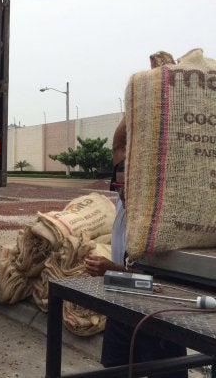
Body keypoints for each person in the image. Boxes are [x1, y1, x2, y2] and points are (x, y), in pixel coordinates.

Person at [85, 116, 188, 378]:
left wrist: (112, 270)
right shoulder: (122, 201)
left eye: (128, 188)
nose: (122, 193)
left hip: (159, 315)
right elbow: (118, 145)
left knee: (165, 372)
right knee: (114, 370)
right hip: (122, 309)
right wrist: (137, 103)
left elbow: (160, 285)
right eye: (118, 187)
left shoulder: (160, 219)